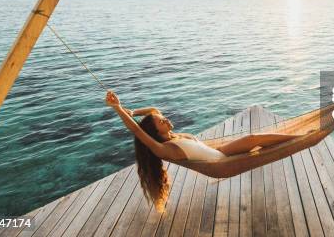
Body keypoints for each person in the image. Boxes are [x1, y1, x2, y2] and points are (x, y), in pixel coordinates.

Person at [106, 91, 300, 213]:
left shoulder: (171, 135)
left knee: (253, 139)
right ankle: (299, 138)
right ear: (156, 132)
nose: (166, 119)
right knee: (253, 140)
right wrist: (118, 109)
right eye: (161, 121)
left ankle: (297, 137)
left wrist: (134, 111)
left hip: (219, 151)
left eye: (163, 118)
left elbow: (154, 110)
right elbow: (137, 131)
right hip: (221, 163)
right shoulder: (165, 149)